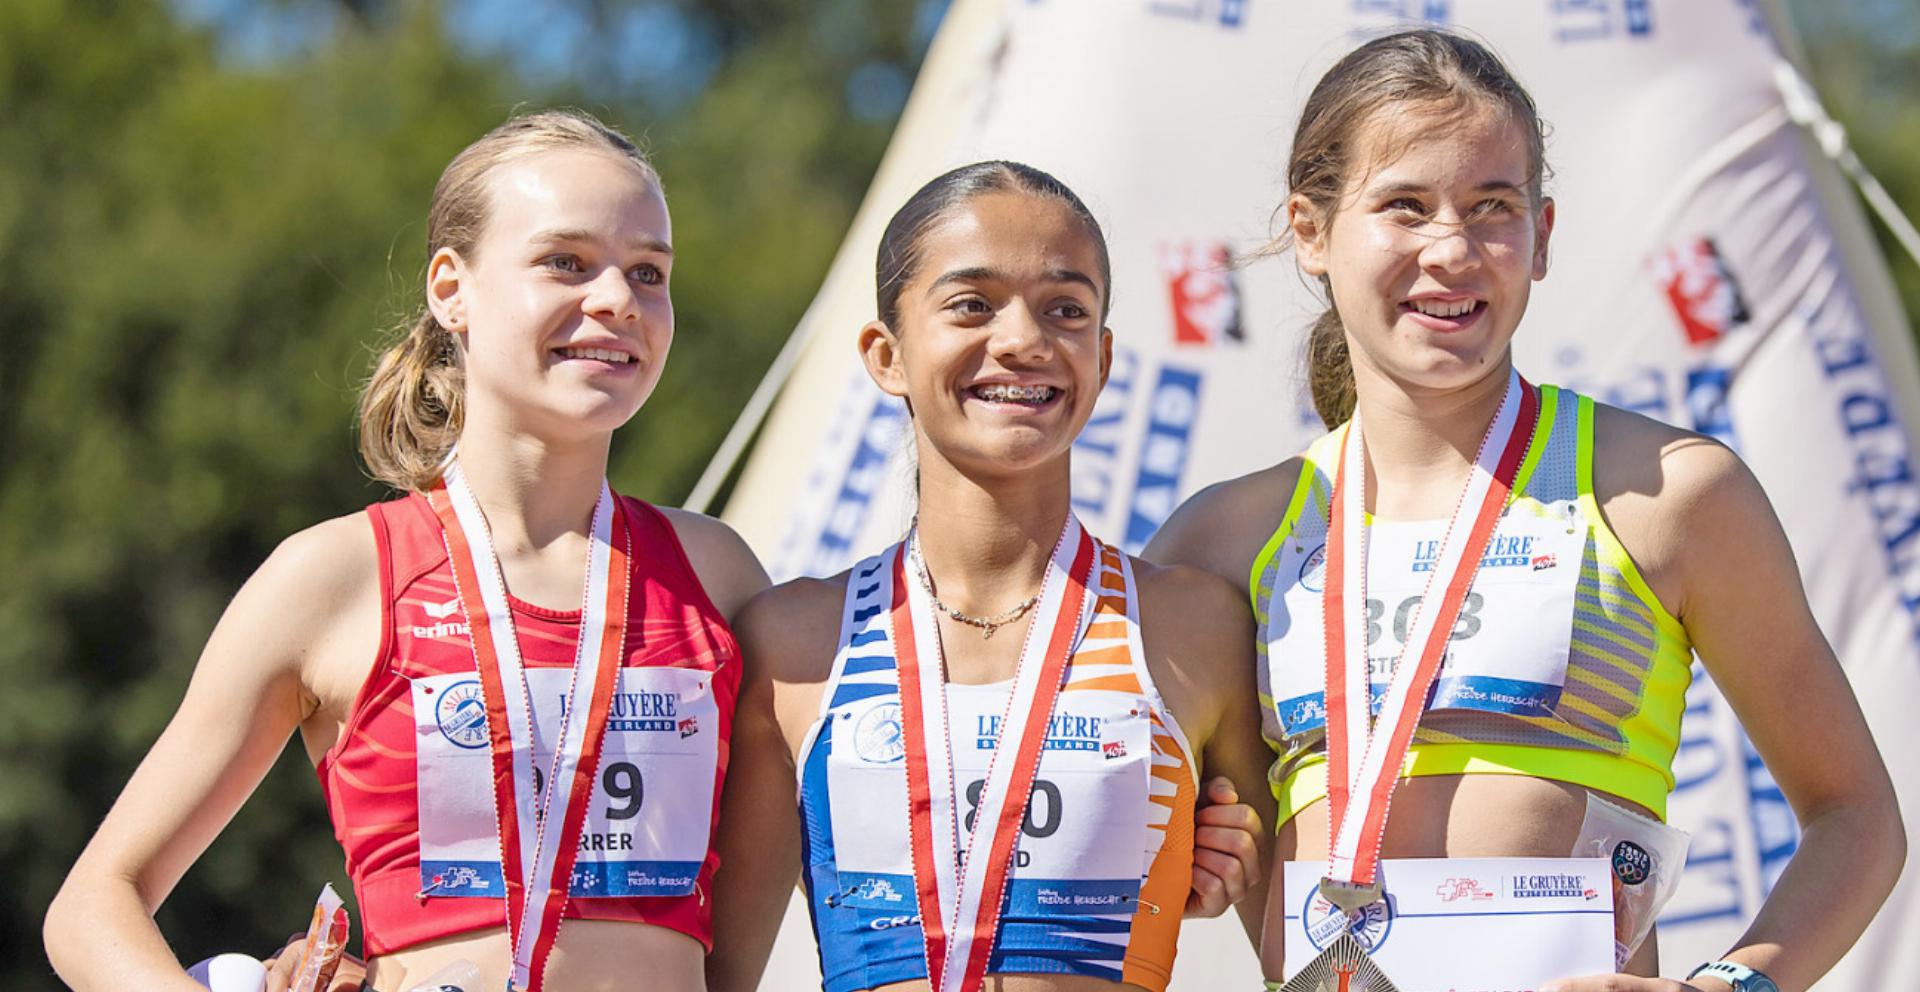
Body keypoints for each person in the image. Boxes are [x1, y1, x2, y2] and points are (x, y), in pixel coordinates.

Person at [1144, 29, 1904, 992]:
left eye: (1492, 208)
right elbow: (1117, 827)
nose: (1452, 250)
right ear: (1310, 230)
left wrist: (1732, 988)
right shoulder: (1223, 539)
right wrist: (1183, 862)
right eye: (1405, 206)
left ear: (1542, 235)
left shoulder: (1669, 492)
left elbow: (1858, 817)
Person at [43, 109, 771, 992]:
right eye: (566, 262)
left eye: (649, 272)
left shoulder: (719, 576)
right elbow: (93, 907)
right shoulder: (336, 577)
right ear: (449, 288)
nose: (617, 299)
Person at [705, 161, 1276, 992]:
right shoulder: (794, 644)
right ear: (886, 353)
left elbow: (1309, 946)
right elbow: (715, 975)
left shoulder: (1195, 628)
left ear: (1104, 357)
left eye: (1065, 309)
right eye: (972, 304)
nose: (1022, 340)